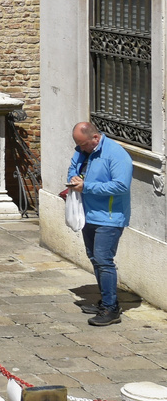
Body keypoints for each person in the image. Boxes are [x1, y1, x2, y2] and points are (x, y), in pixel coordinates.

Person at [65, 121, 133, 326]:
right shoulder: (82, 151)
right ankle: (106, 300)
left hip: (109, 217)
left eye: (84, 145)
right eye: (79, 145)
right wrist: (73, 178)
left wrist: (86, 187)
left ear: (95, 138)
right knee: (95, 258)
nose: (80, 149)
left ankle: (112, 309)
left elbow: (121, 186)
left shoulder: (116, 154)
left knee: (104, 260)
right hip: (88, 215)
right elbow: (72, 169)